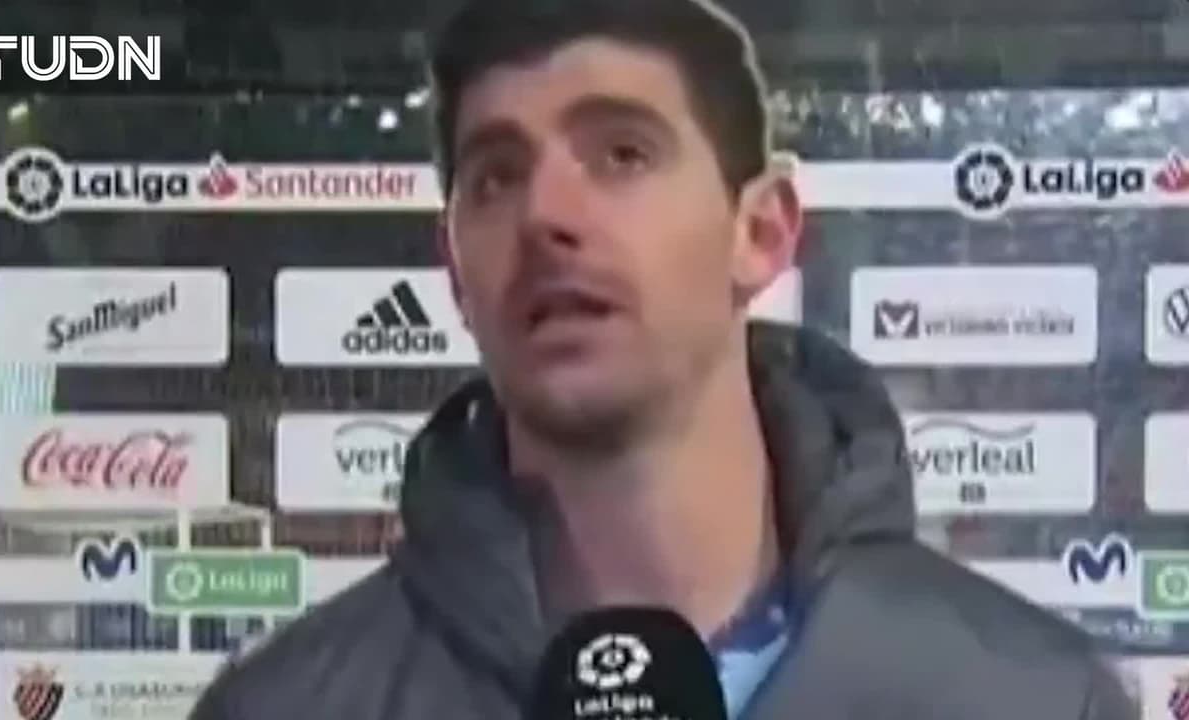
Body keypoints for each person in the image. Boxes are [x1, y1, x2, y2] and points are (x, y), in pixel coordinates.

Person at [192, 0, 1136, 717]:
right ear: (454, 272)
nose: (546, 214)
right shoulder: (284, 709)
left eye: (622, 154)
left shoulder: (1036, 701)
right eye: (497, 175)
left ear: (762, 233)